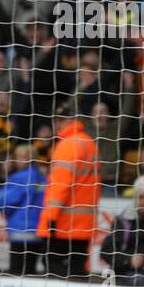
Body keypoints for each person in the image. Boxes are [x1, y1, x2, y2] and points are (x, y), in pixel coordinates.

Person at [36, 104, 100, 278]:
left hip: (63, 222)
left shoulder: (67, 145)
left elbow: (61, 185)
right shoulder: (89, 143)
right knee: (77, 267)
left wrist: (51, 216)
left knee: (52, 264)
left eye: (59, 120)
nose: (57, 124)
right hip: (84, 222)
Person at [0, 144, 47, 276]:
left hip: (20, 229)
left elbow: (5, 203)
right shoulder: (42, 177)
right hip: (38, 230)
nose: (18, 161)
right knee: (30, 271)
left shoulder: (19, 178)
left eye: (21, 157)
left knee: (17, 272)